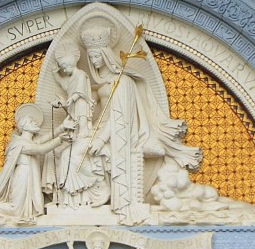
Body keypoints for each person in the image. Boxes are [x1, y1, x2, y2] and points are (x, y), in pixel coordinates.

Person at [80, 16, 200, 224]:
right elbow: (100, 113)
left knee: (89, 152)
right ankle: (83, 199)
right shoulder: (101, 84)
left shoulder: (122, 82)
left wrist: (100, 139)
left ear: (106, 55)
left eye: (97, 55)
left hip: (121, 135)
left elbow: (120, 117)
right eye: (90, 57)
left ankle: (107, 196)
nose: (93, 61)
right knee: (72, 150)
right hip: (104, 131)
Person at [0, 103, 66, 223]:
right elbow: (40, 149)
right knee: (16, 210)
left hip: (30, 177)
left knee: (27, 209)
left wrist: (62, 127)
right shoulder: (19, 144)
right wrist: (59, 140)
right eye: (31, 122)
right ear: (24, 126)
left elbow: (43, 140)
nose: (35, 123)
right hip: (22, 176)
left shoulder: (30, 142)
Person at [45, 41, 105, 207]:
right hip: (74, 110)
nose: (64, 69)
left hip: (81, 109)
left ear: (71, 64)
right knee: (57, 153)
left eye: (65, 66)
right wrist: (56, 75)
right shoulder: (71, 77)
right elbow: (65, 85)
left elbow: (80, 92)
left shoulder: (80, 75)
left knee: (69, 152)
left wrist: (70, 100)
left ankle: (76, 195)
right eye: (62, 67)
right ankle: (64, 196)